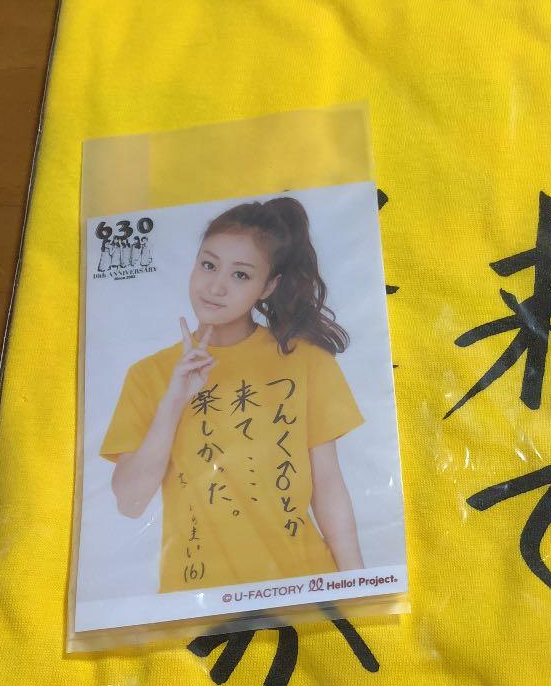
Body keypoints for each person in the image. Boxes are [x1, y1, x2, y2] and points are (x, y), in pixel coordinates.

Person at [99, 197, 365, 594]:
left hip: (302, 586)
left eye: (241, 274)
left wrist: (358, 584)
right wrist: (174, 400)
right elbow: (130, 502)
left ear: (268, 286)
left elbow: (328, 485)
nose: (216, 286)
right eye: (209, 265)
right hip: (197, 598)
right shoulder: (149, 375)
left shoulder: (306, 361)